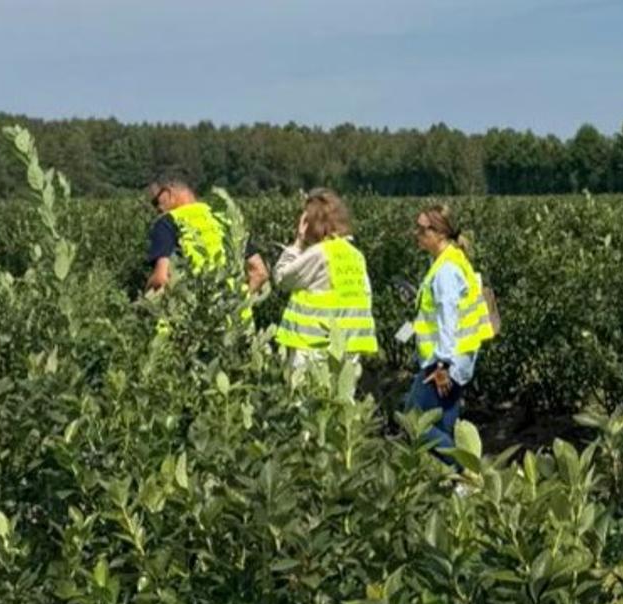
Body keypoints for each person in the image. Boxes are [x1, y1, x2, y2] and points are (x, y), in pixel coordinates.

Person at [403, 204, 493, 462]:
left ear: (440, 233)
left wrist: (442, 365)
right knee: (444, 429)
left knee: (413, 421)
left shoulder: (446, 271)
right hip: (457, 360)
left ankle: (466, 471)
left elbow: (448, 320)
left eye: (422, 229)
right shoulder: (451, 260)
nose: (417, 234)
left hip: (443, 364)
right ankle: (459, 480)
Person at [269, 189, 378, 364]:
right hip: (348, 349)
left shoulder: (320, 253)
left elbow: (281, 277)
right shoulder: (356, 255)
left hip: (313, 348)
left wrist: (298, 242)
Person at [142, 177, 267, 295]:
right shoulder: (223, 217)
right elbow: (260, 272)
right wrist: (238, 301)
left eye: (156, 201)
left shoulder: (168, 222)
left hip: (196, 307)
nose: (156, 208)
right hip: (236, 310)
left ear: (169, 192)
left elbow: (161, 279)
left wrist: (144, 300)